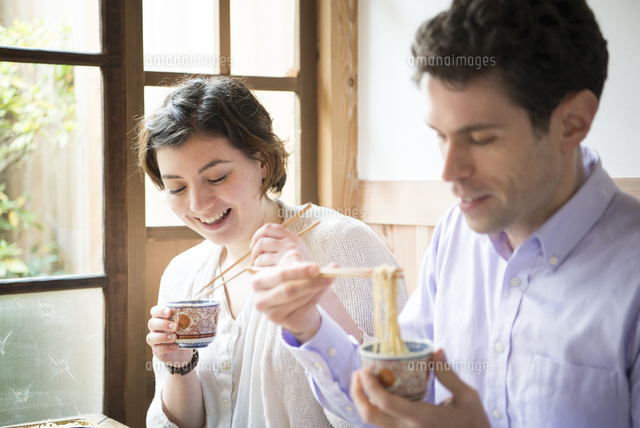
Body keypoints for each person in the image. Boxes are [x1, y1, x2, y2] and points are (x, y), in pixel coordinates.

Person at [251, 0, 640, 427]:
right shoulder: (458, 232)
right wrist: (309, 324)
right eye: (441, 136)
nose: (449, 172)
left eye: (482, 138)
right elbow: (389, 402)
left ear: (573, 122)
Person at [136, 76, 407, 428]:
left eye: (216, 178)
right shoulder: (183, 273)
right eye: (176, 187)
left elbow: (394, 408)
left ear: (262, 161)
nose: (198, 204)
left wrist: (318, 303)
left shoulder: (343, 243)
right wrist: (178, 365)